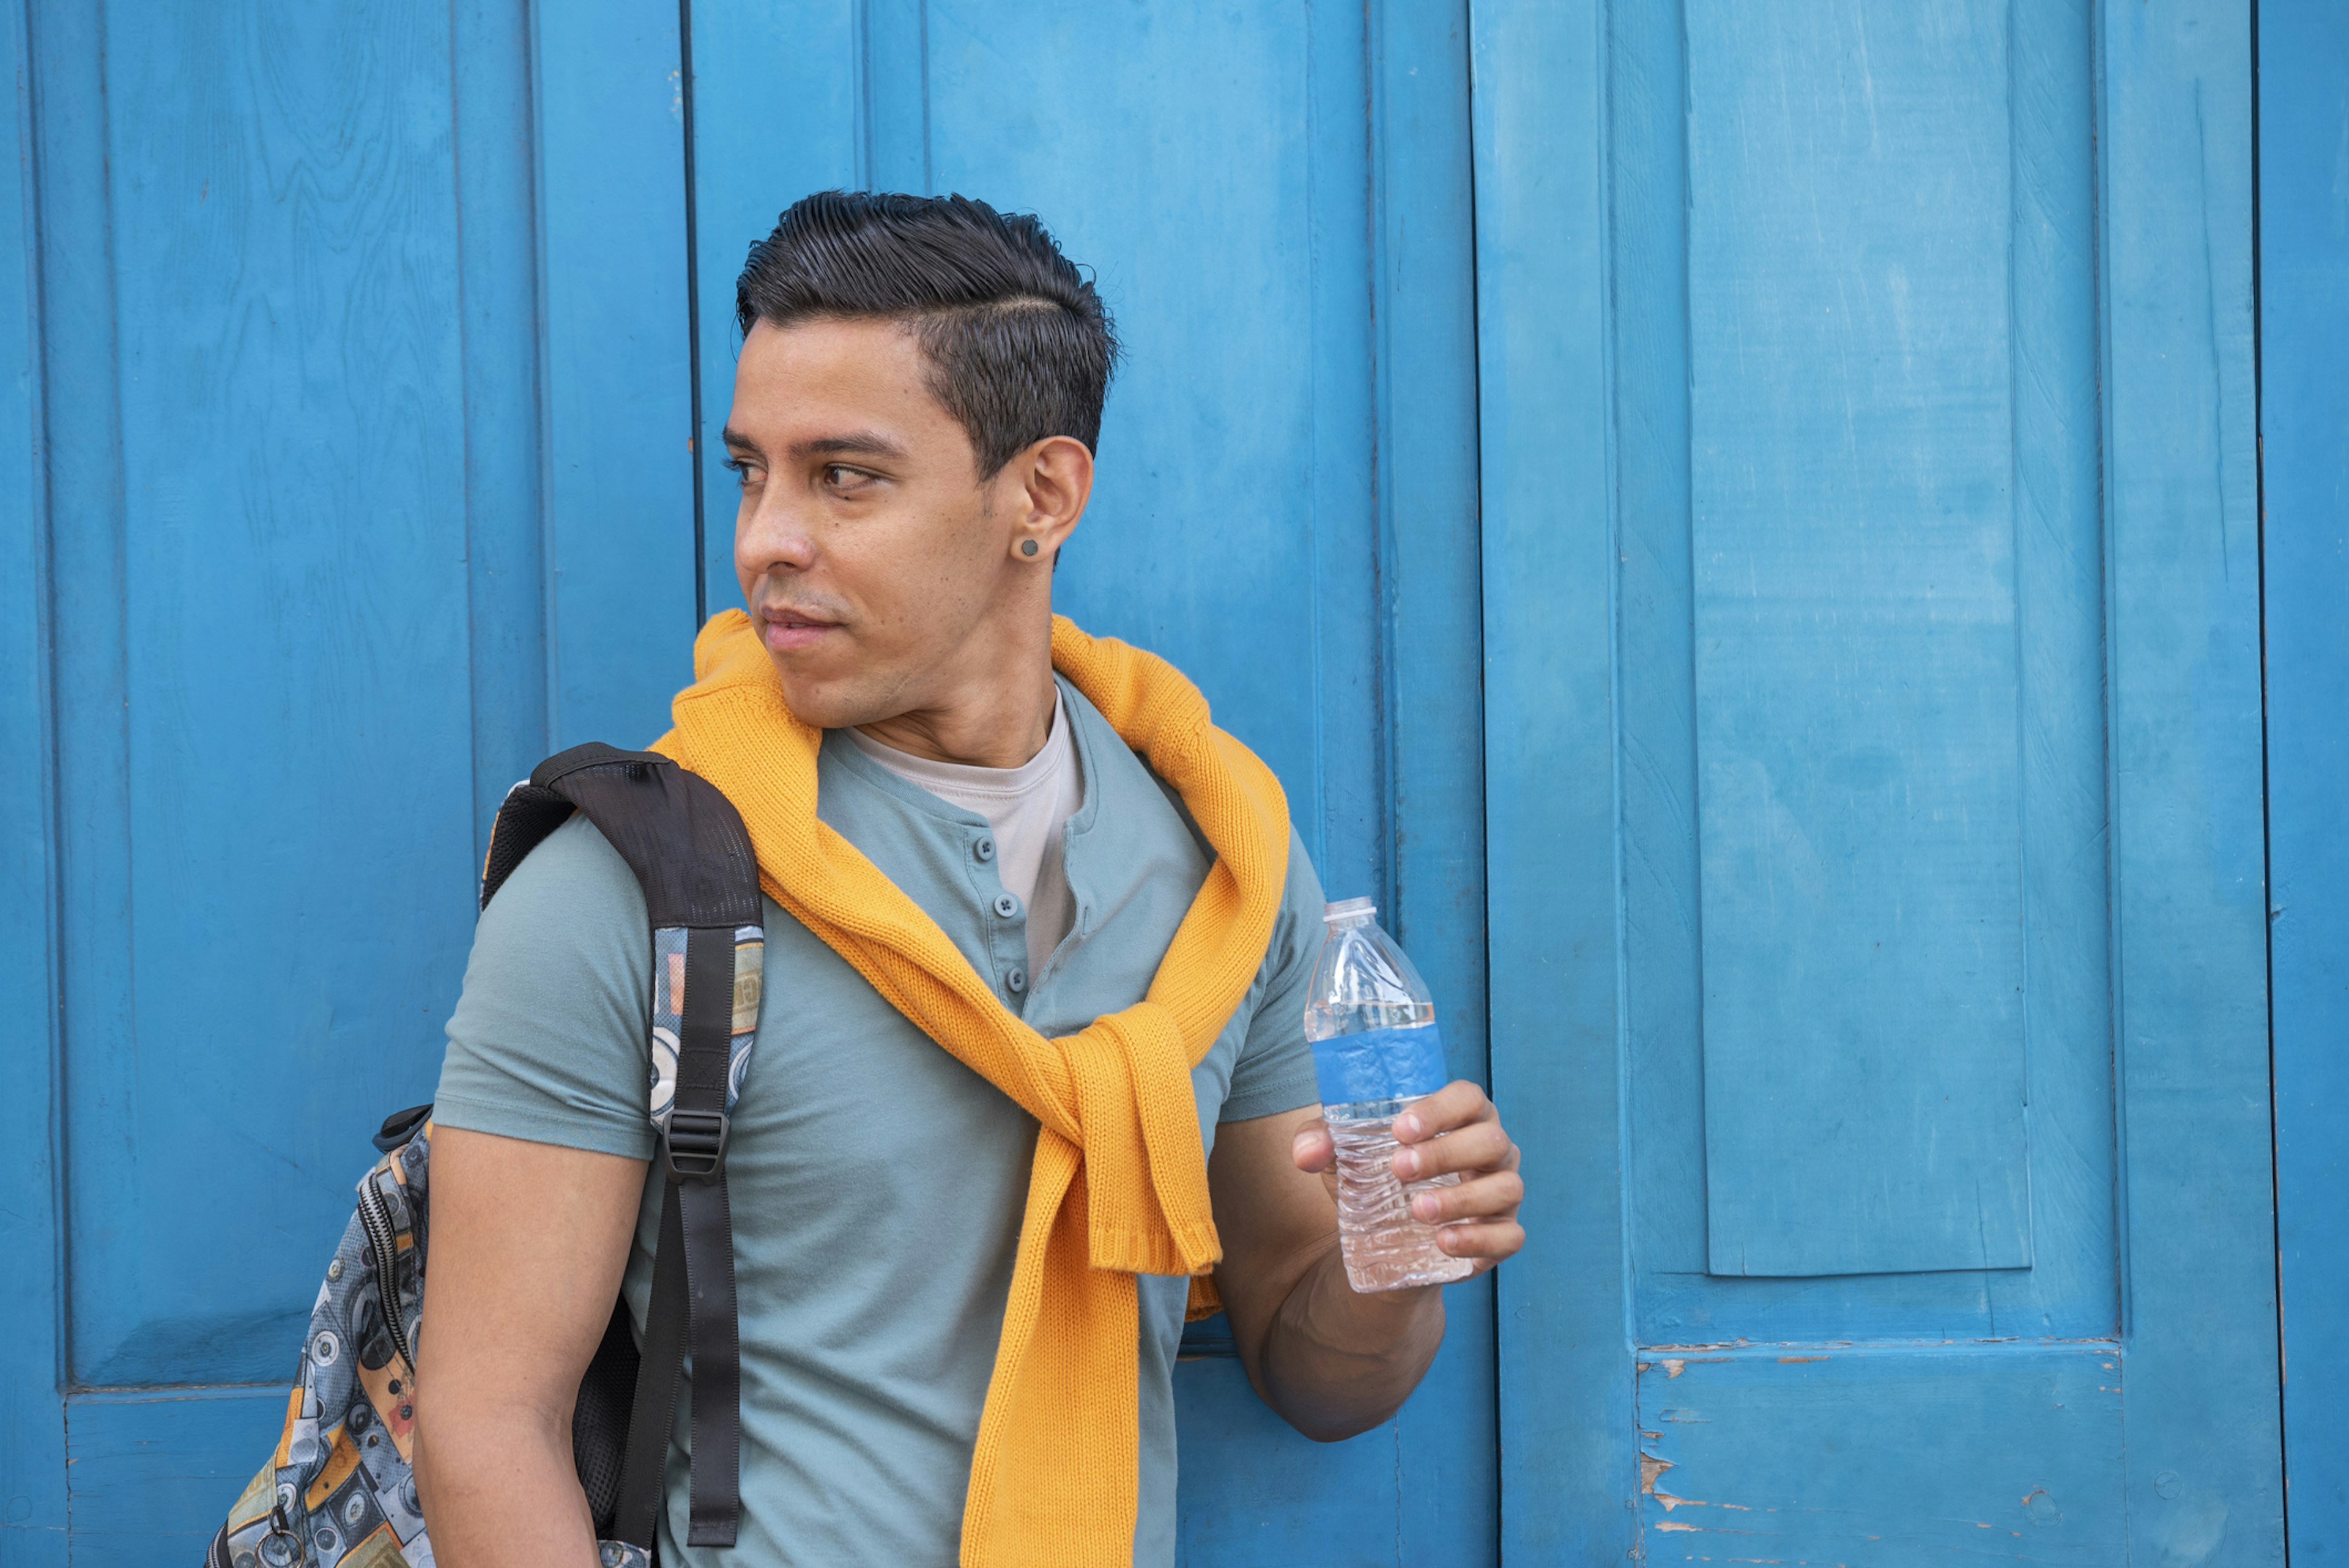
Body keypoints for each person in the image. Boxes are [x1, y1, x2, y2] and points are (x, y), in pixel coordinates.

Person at [411, 190, 1526, 1568]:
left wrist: (1394, 1257)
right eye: (750, 470)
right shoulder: (633, 887)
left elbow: (1323, 1378)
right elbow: (481, 1423)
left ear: (1041, 496)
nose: (767, 538)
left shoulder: (1226, 872)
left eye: (845, 476)